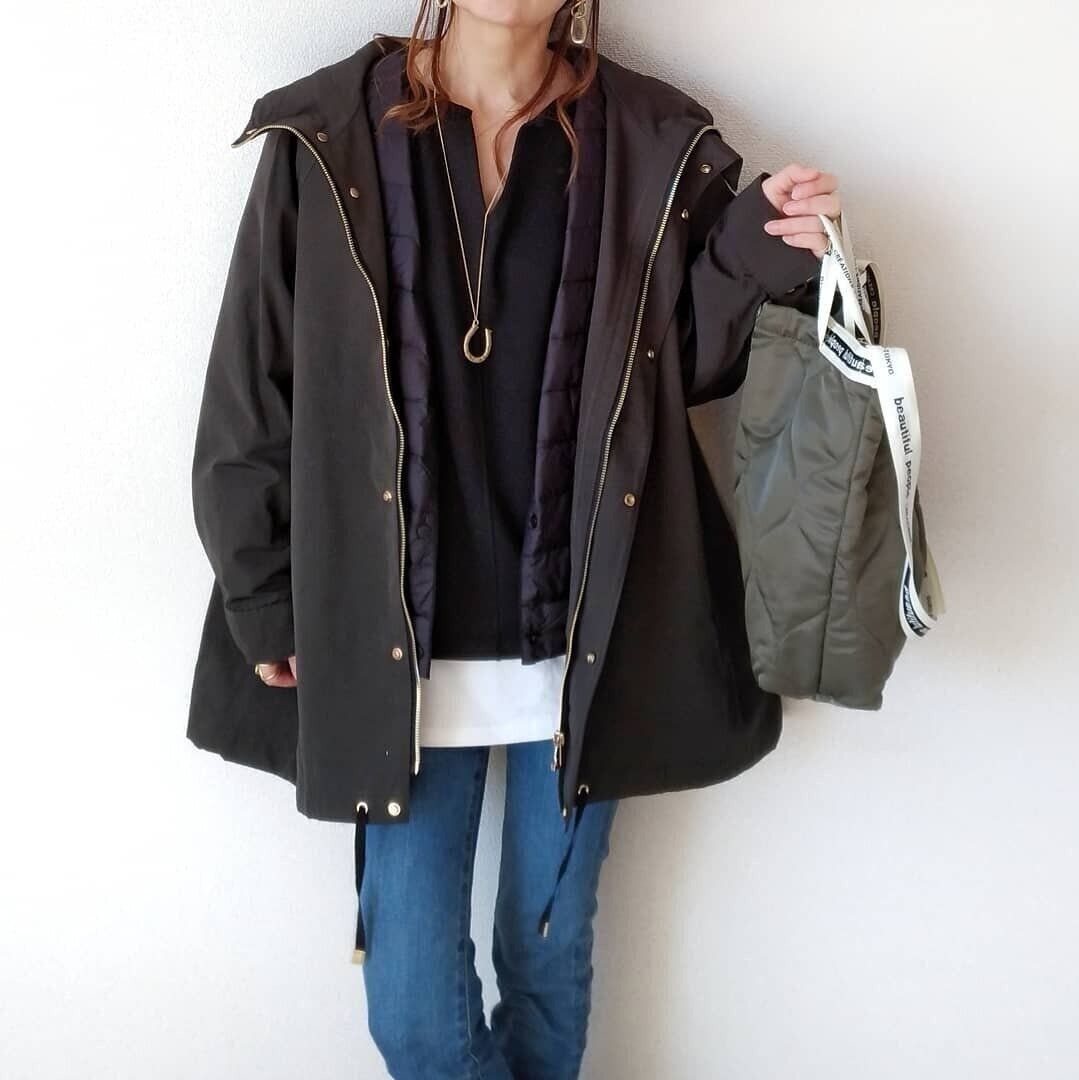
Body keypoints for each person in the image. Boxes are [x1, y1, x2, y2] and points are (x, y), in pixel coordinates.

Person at [187, 2, 841, 1076]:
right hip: (395, 640)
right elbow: (253, 383)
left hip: (586, 633)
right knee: (413, 1007)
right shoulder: (329, 131)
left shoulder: (647, 137)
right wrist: (262, 591)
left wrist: (756, 244)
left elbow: (674, 368)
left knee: (546, 958)